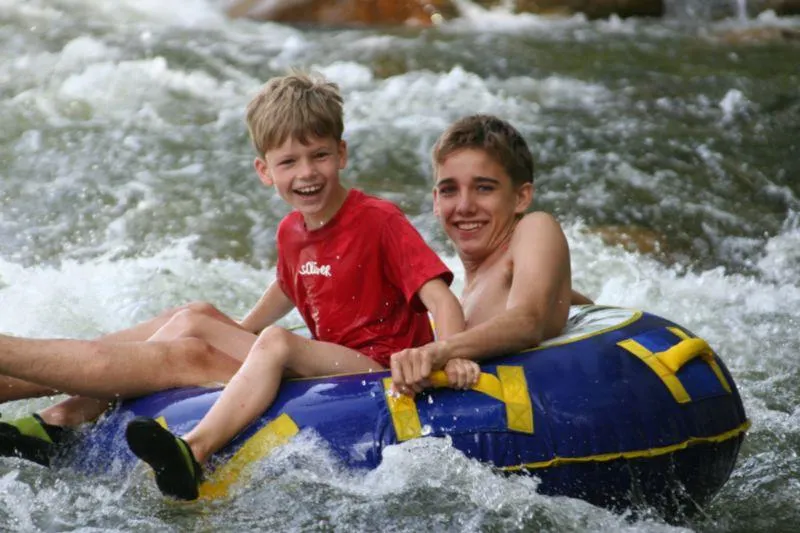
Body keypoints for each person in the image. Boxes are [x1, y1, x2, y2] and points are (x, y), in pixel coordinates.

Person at [119, 71, 469, 500]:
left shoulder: (380, 221)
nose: (307, 173)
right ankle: (80, 411)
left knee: (277, 341)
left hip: (380, 367)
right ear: (264, 171)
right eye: (288, 162)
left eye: (319, 155)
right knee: (195, 318)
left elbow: (442, 301)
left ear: (341, 154)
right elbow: (290, 285)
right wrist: (238, 333)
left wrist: (451, 357)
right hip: (328, 360)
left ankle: (193, 451)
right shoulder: (290, 230)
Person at [389, 113, 592, 395]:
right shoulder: (462, 302)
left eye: (484, 188)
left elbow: (527, 321)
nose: (464, 206)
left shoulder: (535, 227)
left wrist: (439, 351)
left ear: (521, 197)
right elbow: (561, 297)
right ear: (436, 202)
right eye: (449, 190)